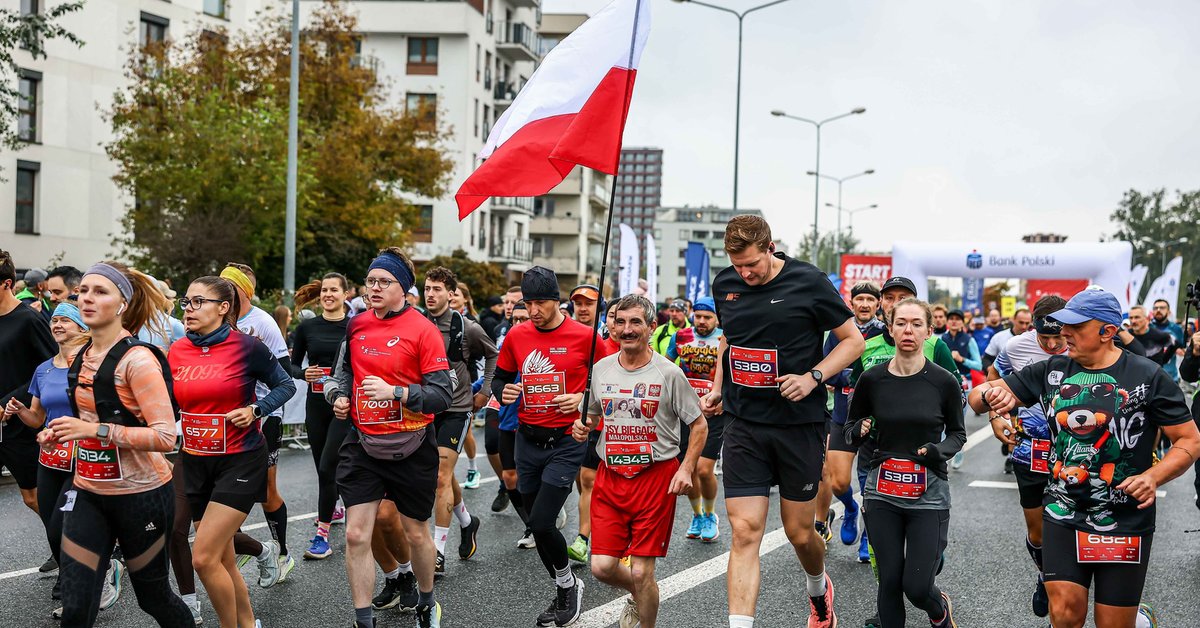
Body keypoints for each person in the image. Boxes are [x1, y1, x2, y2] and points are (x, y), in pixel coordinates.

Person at [968, 287, 1200, 628]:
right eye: (1064, 325)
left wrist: (1153, 477)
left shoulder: (1147, 376)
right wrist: (989, 395)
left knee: (1112, 624)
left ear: (1107, 331)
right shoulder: (1052, 370)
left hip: (1125, 518)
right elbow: (977, 397)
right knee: (1064, 613)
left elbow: (1189, 440)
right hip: (1063, 511)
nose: (1064, 333)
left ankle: (1139, 618)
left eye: (1076, 326)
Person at [701, 215, 865, 628]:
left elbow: (853, 341)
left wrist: (813, 377)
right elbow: (728, 339)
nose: (745, 273)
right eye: (737, 266)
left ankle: (818, 589)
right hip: (744, 424)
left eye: (752, 264)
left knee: (800, 533)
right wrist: (719, 385)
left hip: (798, 425)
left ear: (770, 248)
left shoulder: (807, 281)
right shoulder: (726, 285)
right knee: (744, 532)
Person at [42, 261, 195, 627]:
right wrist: (58, 432)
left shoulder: (137, 361)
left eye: (101, 292)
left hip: (142, 497)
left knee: (154, 598)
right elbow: (87, 422)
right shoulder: (81, 357)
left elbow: (164, 436)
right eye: (84, 292)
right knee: (76, 609)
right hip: (90, 492)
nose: (86, 299)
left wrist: (93, 432)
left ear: (122, 304)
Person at [325, 247, 452, 628]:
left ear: (405, 289)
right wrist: (339, 397)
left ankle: (427, 602)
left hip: (412, 444)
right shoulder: (357, 324)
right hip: (364, 444)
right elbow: (340, 374)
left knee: (415, 534)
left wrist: (398, 393)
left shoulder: (423, 330)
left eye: (385, 282)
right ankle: (363, 620)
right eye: (370, 281)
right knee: (355, 533)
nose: (374, 288)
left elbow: (442, 394)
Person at [169, 275, 296, 628]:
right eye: (186, 302)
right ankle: (249, 623)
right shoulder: (178, 350)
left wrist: (257, 409)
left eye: (199, 302)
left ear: (223, 308)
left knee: (203, 557)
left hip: (240, 458)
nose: (189, 309)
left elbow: (285, 384)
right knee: (222, 559)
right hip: (195, 460)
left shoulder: (246, 347)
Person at [574, 294, 707, 628]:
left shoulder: (669, 373)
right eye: (620, 322)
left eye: (635, 322)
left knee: (642, 570)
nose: (627, 329)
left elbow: (699, 424)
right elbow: (590, 416)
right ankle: (641, 592)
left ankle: (645, 614)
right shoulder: (600, 370)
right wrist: (581, 426)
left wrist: (686, 467)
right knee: (602, 567)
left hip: (655, 478)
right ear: (612, 326)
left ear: (652, 327)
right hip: (610, 476)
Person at [492, 266, 612, 627]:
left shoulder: (586, 336)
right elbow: (499, 377)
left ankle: (567, 587)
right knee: (535, 521)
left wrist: (580, 398)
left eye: (541, 302)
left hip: (566, 440)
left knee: (543, 522)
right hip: (527, 438)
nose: (533, 311)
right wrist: (504, 391)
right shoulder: (517, 335)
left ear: (557, 300)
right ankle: (565, 585)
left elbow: (611, 380)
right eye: (528, 303)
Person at [845, 298, 966, 628]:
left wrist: (937, 450)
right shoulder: (871, 379)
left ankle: (939, 609)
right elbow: (850, 430)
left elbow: (957, 434)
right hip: (882, 489)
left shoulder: (943, 382)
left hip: (929, 493)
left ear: (929, 330)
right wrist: (859, 430)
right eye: (901, 323)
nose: (908, 330)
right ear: (890, 328)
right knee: (890, 581)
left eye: (916, 324)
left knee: (917, 588)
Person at [5, 302, 94, 607]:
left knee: (61, 524)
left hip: (82, 458)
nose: (57, 325)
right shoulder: (43, 369)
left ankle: (82, 579)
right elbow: (37, 418)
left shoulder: (91, 366)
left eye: (64, 321)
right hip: (50, 458)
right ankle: (83, 570)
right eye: (54, 320)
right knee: (53, 528)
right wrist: (20, 412)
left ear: (81, 328)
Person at [986, 295, 1068, 620]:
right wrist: (997, 417)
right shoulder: (1015, 347)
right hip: (1030, 446)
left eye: (1057, 337)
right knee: (1038, 533)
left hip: (1075, 451)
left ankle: (1060, 597)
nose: (1050, 344)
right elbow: (995, 376)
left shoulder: (1082, 344)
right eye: (1043, 337)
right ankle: (1046, 574)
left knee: (1067, 526)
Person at [220, 263, 298, 581]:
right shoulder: (216, 320)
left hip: (264, 416)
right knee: (224, 487)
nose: (220, 289)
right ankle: (240, 547)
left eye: (227, 285)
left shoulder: (262, 323)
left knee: (265, 490)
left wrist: (261, 408)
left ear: (242, 290)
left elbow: (285, 374)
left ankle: (281, 553)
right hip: (226, 417)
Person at [422, 267, 496, 576]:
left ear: (452, 294)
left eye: (437, 289)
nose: (430, 294)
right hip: (426, 408)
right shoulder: (417, 324)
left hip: (457, 408)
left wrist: (486, 392)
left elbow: (494, 355)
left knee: (440, 477)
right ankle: (467, 521)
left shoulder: (467, 328)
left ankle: (437, 552)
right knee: (442, 474)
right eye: (427, 288)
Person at [813, 281, 886, 554]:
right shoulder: (839, 331)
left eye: (870, 299)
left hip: (876, 418)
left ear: (878, 305)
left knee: (870, 483)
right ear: (851, 303)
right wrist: (852, 375)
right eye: (860, 299)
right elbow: (827, 370)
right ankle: (851, 508)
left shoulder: (884, 332)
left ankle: (869, 535)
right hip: (844, 414)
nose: (865, 304)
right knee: (838, 480)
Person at [291, 273, 353, 559]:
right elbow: (290, 366)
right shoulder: (307, 328)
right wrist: (304, 373)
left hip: (344, 405)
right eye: (324, 290)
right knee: (322, 468)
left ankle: (322, 535)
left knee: (329, 467)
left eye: (334, 290)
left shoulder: (354, 327)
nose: (328, 294)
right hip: (316, 404)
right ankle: (335, 507)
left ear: (345, 294)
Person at [0, 249, 56, 518]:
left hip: (20, 424)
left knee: (33, 497)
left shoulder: (29, 320)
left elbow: (50, 369)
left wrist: (7, 403)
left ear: (7, 284)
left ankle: (68, 546)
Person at [666, 295, 725, 544]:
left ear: (716, 318)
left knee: (703, 469)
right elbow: (667, 367)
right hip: (685, 411)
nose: (701, 321)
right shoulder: (680, 337)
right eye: (698, 316)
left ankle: (711, 515)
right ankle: (698, 515)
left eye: (707, 317)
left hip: (714, 412)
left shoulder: (724, 338)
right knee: (687, 469)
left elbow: (732, 371)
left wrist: (725, 399)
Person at [567, 283, 605, 563]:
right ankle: (587, 531)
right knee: (585, 480)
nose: (582, 308)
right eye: (578, 303)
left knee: (593, 480)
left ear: (598, 308)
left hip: (608, 420)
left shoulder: (611, 333)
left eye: (588, 303)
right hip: (576, 420)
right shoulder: (566, 334)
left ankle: (585, 537)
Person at [1150, 299, 1185, 381]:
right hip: (1151, 377)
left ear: (1168, 311)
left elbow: (1183, 350)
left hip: (1171, 378)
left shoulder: (1176, 329)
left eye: (1162, 308)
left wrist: (1178, 350)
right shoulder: (1147, 327)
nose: (1158, 310)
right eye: (1155, 308)